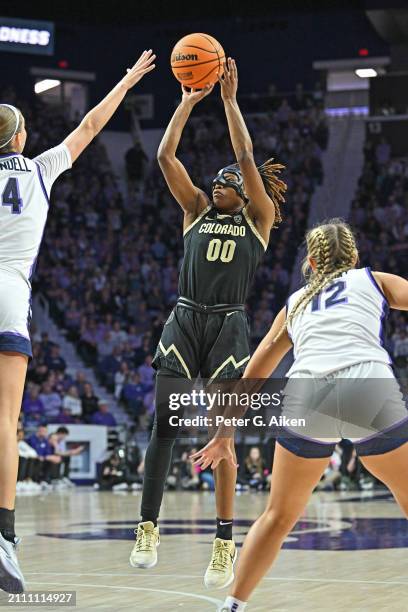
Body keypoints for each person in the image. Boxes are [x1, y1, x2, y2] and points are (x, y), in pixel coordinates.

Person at [191, 218, 408, 611]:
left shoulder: (296, 303)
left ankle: (232, 605)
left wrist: (224, 434)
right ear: (355, 257)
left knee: (278, 516)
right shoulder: (374, 280)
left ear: (310, 261)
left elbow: (254, 374)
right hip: (366, 384)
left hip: (307, 393)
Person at [0, 49, 155, 593]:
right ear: (20, 139)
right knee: (5, 422)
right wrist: (128, 77)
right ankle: (4, 537)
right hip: (9, 292)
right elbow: (90, 125)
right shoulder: (41, 168)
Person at [129, 58, 287, 590]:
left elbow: (244, 154)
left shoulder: (258, 221)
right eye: (217, 179)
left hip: (229, 325)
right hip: (186, 315)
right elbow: (164, 155)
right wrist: (187, 100)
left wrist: (228, 102)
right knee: (165, 424)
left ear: (246, 193)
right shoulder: (194, 209)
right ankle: (147, 527)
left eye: (229, 181)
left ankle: (224, 542)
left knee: (224, 436)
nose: (219, 182)